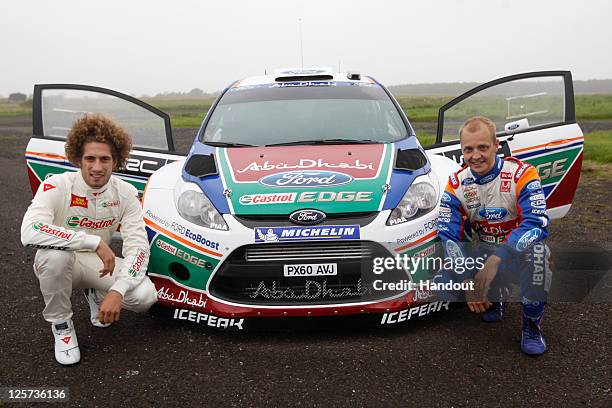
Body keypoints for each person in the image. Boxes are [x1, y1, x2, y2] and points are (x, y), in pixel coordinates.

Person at [21, 113, 158, 365]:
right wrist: (93, 242)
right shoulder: (56, 185)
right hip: (64, 263)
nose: (97, 167)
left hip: (99, 267)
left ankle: (96, 294)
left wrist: (117, 290)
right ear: (77, 158)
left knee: (144, 296)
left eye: (105, 159)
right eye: (90, 158)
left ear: (116, 160)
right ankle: (62, 326)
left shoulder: (126, 192)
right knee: (54, 256)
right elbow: (30, 230)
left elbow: (138, 248)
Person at [435, 116, 551, 355]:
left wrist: (496, 260)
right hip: (484, 251)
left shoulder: (522, 174)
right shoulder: (457, 183)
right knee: (442, 283)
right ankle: (496, 295)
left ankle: (531, 326)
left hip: (517, 255)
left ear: (496, 145)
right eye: (468, 149)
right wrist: (467, 279)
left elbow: (536, 224)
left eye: (483, 147)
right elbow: (448, 235)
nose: (475, 155)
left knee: (539, 256)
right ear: (462, 150)